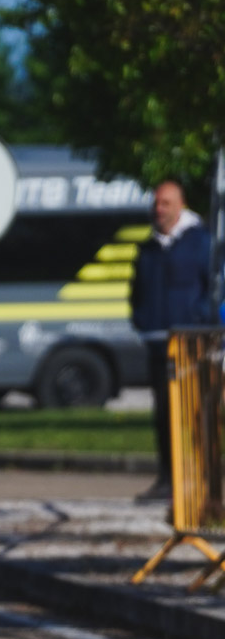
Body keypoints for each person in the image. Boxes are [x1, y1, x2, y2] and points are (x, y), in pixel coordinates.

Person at [130, 179, 215, 501]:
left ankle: (198, 482)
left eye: (165, 203)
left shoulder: (201, 242)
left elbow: (212, 288)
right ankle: (167, 479)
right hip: (158, 343)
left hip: (194, 345)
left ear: (181, 204)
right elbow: (137, 291)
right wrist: (141, 322)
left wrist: (202, 325)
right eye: (156, 203)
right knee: (164, 413)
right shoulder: (148, 248)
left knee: (194, 414)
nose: (159, 210)